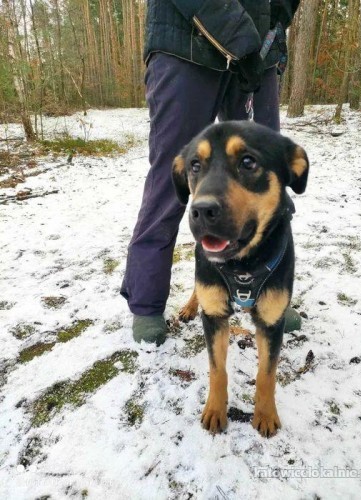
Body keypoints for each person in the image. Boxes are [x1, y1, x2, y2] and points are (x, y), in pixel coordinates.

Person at [121, 0, 301, 345]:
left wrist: (278, 18)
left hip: (259, 50)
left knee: (266, 177)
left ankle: (269, 290)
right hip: (185, 44)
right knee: (169, 180)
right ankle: (146, 301)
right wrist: (241, 39)